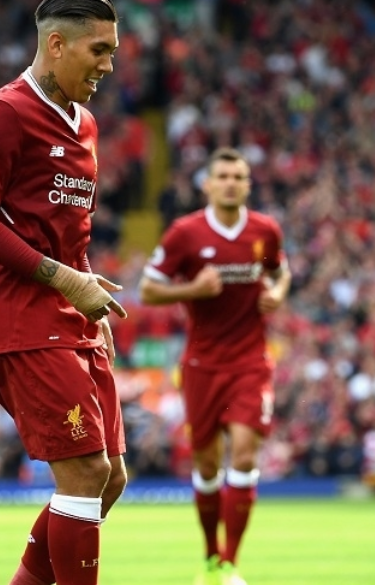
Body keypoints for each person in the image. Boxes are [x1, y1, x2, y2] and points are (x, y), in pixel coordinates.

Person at [0, 0, 127, 585]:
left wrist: (86, 293)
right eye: (98, 50)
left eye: (112, 51)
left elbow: (66, 231)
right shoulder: (5, 114)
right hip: (18, 316)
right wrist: (64, 280)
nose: (108, 66)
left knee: (111, 477)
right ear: (55, 44)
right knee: (83, 473)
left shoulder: (87, 125)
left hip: (73, 318)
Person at [139, 147, 291, 585]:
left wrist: (277, 294)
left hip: (250, 361)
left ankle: (229, 563)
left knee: (243, 454)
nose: (230, 183)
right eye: (222, 176)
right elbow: (148, 290)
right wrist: (192, 290)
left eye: (238, 177)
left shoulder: (264, 231)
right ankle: (210, 556)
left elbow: (280, 272)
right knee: (207, 467)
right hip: (202, 365)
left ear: (247, 185)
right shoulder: (185, 234)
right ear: (206, 184)